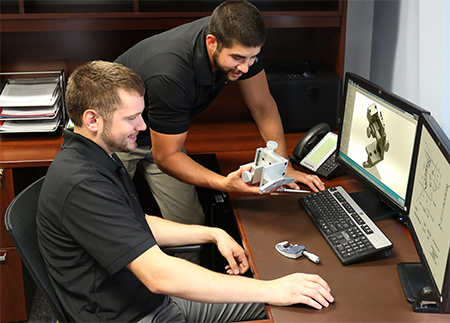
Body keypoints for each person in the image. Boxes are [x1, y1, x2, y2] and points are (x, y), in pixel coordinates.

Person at [37, 61, 334, 322]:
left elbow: (135, 224)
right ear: (92, 120)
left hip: (150, 302)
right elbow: (158, 275)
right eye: (131, 118)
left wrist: (212, 234)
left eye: (142, 114)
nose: (142, 126)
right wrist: (271, 288)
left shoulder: (98, 156)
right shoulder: (82, 183)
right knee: (281, 302)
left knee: (296, 304)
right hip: (133, 315)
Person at [115, 0, 325, 227]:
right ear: (212, 42)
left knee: (191, 224)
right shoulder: (171, 75)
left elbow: (262, 105)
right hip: (115, 137)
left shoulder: (237, 40)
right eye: (237, 58)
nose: (245, 68)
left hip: (162, 137)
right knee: (117, 226)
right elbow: (166, 157)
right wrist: (226, 184)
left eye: (252, 57)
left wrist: (284, 166)